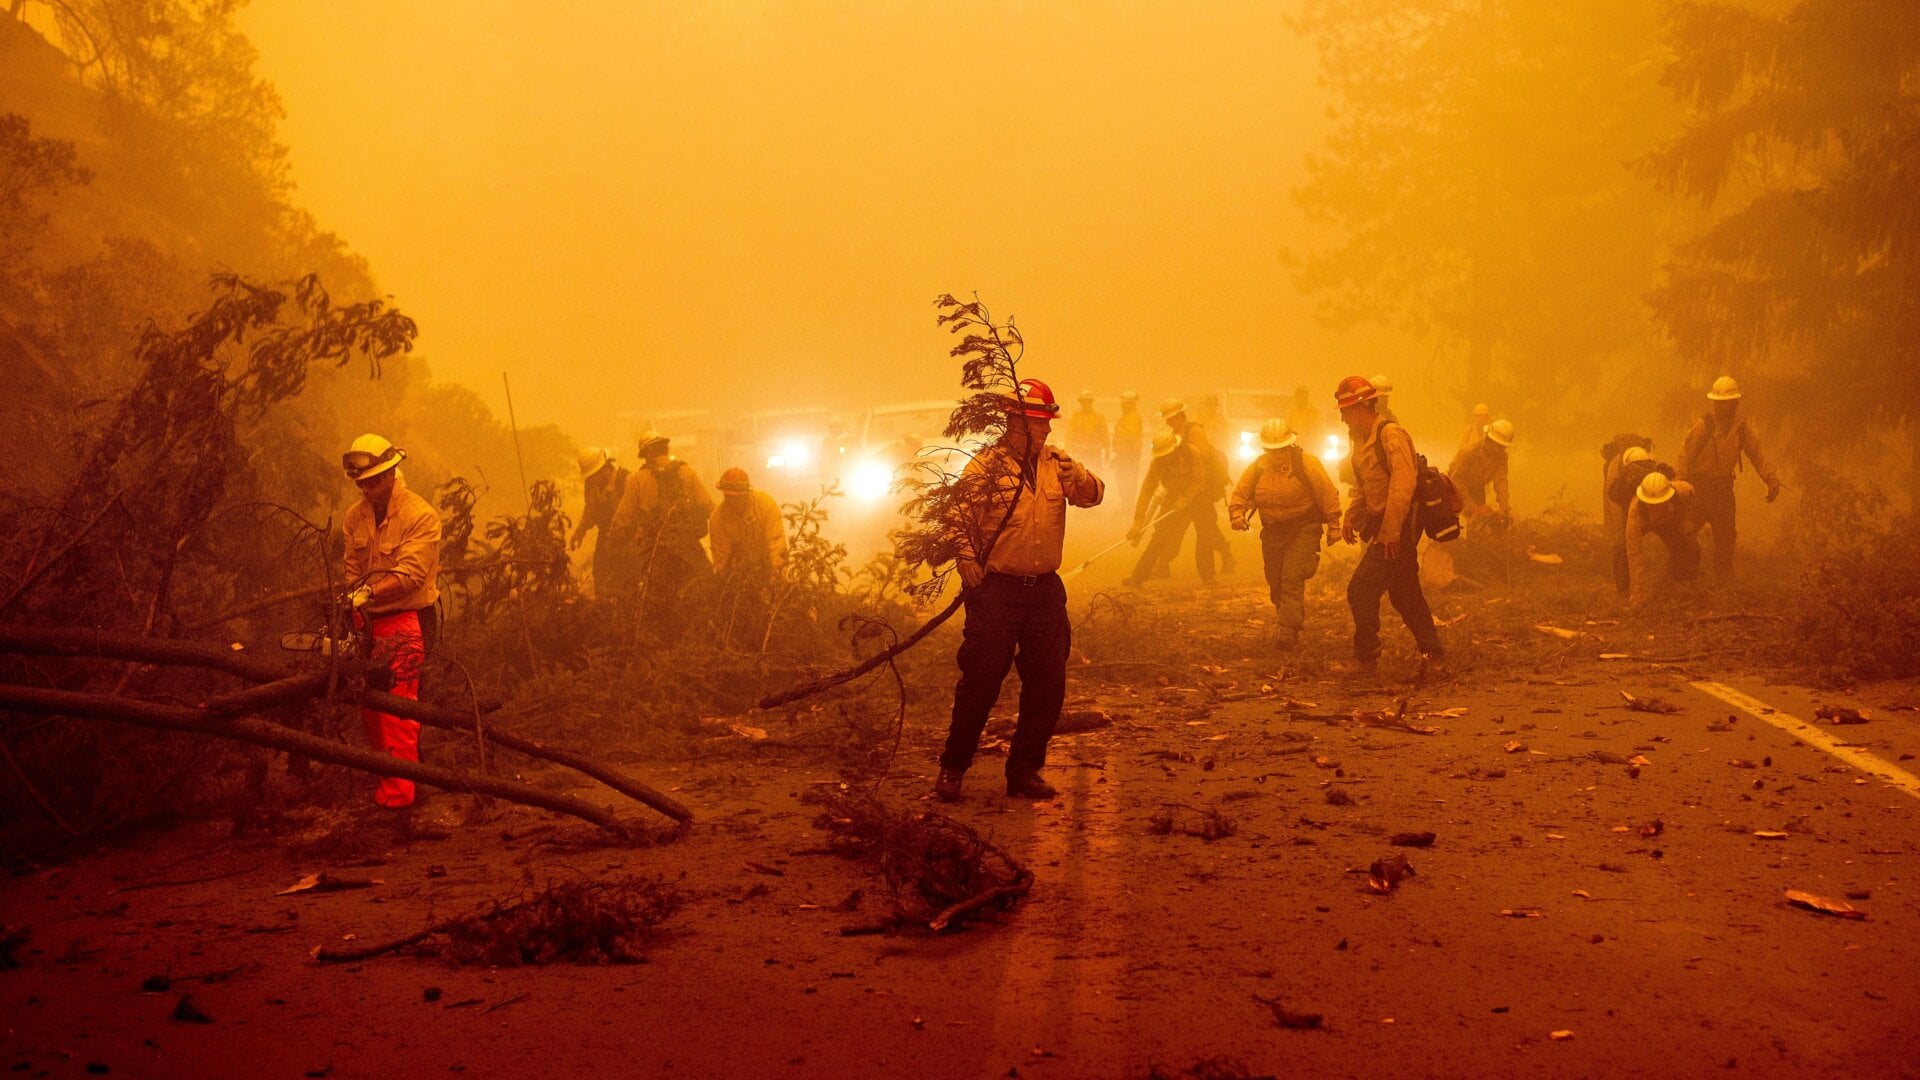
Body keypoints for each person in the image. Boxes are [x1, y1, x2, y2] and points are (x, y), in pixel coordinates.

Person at [936, 378, 1104, 803]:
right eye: (1038, 423)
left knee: (1048, 682)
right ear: (1015, 424)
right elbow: (956, 517)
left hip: (1044, 590)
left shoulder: (1057, 463)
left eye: (1047, 422)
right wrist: (965, 555)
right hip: (997, 590)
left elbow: (1092, 497)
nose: (1046, 430)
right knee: (981, 680)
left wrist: (1081, 476)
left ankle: (1024, 771)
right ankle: (953, 767)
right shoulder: (986, 468)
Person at [339, 433, 442, 811]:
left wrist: (368, 592)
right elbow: (352, 569)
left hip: (407, 616)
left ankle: (399, 799)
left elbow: (410, 575)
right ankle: (402, 786)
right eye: (360, 483)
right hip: (368, 619)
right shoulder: (355, 517)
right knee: (371, 708)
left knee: (399, 708)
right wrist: (353, 603)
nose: (366, 489)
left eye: (372, 481)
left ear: (390, 474)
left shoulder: (421, 515)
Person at [1333, 376, 1443, 672]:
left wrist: (1390, 533)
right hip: (1386, 525)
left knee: (1360, 589)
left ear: (1361, 408)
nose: (1342, 419)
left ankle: (1366, 658)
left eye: (1345, 412)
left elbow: (1402, 488)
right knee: (1405, 593)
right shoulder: (1361, 440)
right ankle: (1433, 652)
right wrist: (1351, 516)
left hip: (1400, 525)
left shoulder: (1391, 436)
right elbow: (1364, 484)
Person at [1229, 419, 1341, 648]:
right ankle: (1287, 617)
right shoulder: (1257, 468)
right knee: (1276, 580)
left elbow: (1327, 493)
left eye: (1281, 450)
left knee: (1292, 577)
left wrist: (1334, 524)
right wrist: (1237, 515)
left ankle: (1287, 630)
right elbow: (1240, 494)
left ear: (1290, 446)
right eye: (1272, 450)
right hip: (1273, 531)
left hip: (1304, 527)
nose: (1277, 455)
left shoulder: (1307, 464)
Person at [1675, 376, 1781, 584]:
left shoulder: (1741, 428)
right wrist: (1680, 487)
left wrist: (1770, 479)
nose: (1719, 406)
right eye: (1716, 402)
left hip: (1722, 489)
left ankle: (1724, 583)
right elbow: (1683, 456)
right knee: (1684, 533)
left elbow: (1756, 454)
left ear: (1734, 403)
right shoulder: (1703, 426)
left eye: (1724, 402)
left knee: (1725, 538)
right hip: (1697, 488)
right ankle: (1680, 579)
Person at [609, 431, 714, 638]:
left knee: (657, 605)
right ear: (665, 449)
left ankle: (664, 644)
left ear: (645, 454)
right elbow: (708, 506)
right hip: (688, 549)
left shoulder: (637, 480)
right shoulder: (686, 472)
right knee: (704, 591)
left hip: (654, 552)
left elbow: (622, 519)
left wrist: (613, 545)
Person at [1161, 398, 1234, 578]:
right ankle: (1162, 565)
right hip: (1184, 488)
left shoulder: (1195, 430)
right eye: (1167, 419)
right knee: (1173, 528)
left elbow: (1203, 458)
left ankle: (1220, 562)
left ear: (1180, 416)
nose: (1168, 422)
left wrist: (1195, 487)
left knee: (1205, 529)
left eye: (1171, 418)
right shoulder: (1178, 432)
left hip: (1200, 489)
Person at [1123, 431, 1202, 586]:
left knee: (1207, 533)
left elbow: (1197, 480)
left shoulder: (1191, 453)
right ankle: (1138, 577)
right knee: (1160, 536)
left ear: (1174, 450)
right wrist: (1138, 521)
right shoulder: (1157, 463)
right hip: (1173, 496)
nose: (1163, 459)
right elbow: (1147, 490)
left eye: (1166, 455)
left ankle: (1211, 574)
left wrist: (1185, 500)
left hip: (1199, 496)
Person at [1625, 472, 1701, 609]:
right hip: (1646, 522)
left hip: (1669, 520)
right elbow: (1634, 554)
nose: (1655, 508)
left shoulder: (1683, 491)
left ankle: (1685, 584)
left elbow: (1693, 502)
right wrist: (1637, 593)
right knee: (1620, 549)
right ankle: (1624, 593)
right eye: (1651, 504)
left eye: (1659, 503)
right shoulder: (1635, 512)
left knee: (1690, 547)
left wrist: (1687, 523)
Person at [1605, 445, 1673, 596]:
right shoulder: (1626, 479)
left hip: (1653, 514)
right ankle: (1624, 591)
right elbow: (1614, 495)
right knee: (1622, 549)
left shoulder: (1655, 472)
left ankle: (1625, 591)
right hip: (1643, 515)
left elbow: (1613, 496)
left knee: (1622, 548)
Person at [570, 447, 633, 598]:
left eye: (594, 475)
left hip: (627, 539)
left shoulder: (625, 480)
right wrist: (580, 531)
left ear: (605, 468)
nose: (591, 479)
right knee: (601, 577)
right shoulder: (591, 484)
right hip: (605, 536)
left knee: (626, 580)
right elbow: (590, 509)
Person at [709, 467, 787, 581]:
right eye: (729, 496)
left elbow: (777, 545)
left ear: (746, 494)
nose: (733, 501)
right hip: (740, 575)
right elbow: (722, 560)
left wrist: (777, 579)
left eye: (738, 497)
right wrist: (727, 584)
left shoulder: (765, 505)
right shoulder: (717, 519)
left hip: (769, 566)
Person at [1450, 418, 1513, 523]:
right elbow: (1456, 480)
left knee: (1479, 522)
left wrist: (1503, 506)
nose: (1502, 450)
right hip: (1453, 487)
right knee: (1452, 523)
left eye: (1504, 447)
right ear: (1489, 440)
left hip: (1477, 487)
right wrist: (1472, 508)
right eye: (1499, 446)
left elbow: (1501, 481)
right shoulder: (1469, 452)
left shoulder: (1501, 457)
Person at [1111, 391, 1145, 514]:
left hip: (1129, 456)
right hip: (1124, 455)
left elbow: (1130, 438)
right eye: (1122, 403)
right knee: (1123, 479)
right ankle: (1126, 506)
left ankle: (1128, 507)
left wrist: (1122, 455)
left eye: (1124, 403)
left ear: (1131, 404)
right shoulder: (1127, 416)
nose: (1122, 405)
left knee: (1127, 480)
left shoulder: (1133, 417)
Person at [1064, 390, 1110, 470]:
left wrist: (1107, 450)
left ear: (1091, 402)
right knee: (1079, 474)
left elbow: (1104, 434)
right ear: (1081, 403)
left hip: (1094, 454)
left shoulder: (1099, 417)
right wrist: (1067, 450)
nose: (1086, 403)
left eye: (1088, 401)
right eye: (1084, 401)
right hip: (1079, 453)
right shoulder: (1075, 417)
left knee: (1095, 474)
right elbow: (1070, 434)